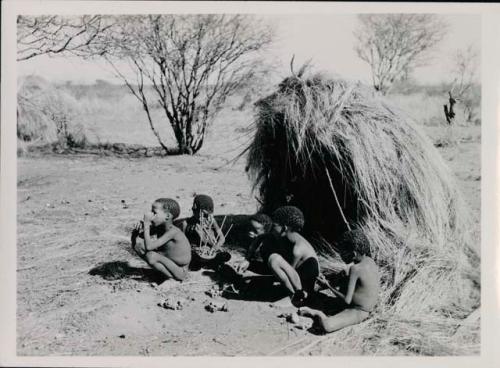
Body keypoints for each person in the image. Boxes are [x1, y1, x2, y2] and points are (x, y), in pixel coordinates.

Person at [298, 229, 380, 333]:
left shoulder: (355, 269)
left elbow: (347, 300)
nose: (341, 256)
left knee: (327, 325)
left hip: (359, 311)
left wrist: (328, 286)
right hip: (359, 305)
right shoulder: (370, 261)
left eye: (343, 253)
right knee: (342, 275)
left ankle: (317, 313)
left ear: (354, 253)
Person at [261, 206, 320, 307]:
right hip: (300, 277)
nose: (272, 229)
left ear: (284, 228)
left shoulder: (297, 249)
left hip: (305, 285)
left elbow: (291, 273)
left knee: (274, 260)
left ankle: (294, 297)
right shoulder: (290, 240)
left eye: (274, 226)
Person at [131, 198, 191, 281]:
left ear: (167, 216)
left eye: (154, 212)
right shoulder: (159, 227)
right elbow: (138, 241)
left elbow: (149, 247)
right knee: (139, 246)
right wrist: (136, 232)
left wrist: (146, 224)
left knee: (151, 256)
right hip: (169, 263)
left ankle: (171, 279)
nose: (151, 215)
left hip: (180, 271)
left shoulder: (173, 231)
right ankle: (161, 274)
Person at [180, 194, 229, 270]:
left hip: (210, 250)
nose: (203, 217)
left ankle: (209, 262)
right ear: (194, 209)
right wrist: (193, 249)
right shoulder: (186, 223)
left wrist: (215, 247)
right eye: (201, 214)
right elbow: (182, 243)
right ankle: (203, 263)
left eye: (206, 215)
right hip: (195, 252)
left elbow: (222, 238)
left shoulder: (211, 221)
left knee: (225, 256)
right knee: (191, 259)